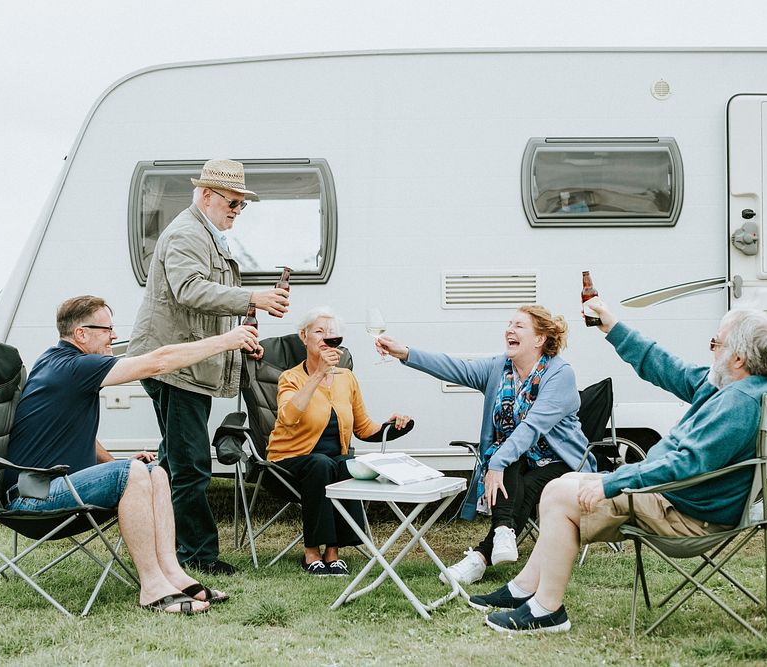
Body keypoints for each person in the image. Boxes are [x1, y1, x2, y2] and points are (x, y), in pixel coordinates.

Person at [469, 299, 767, 634]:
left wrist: (612, 483)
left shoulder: (739, 403)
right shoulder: (738, 386)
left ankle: (548, 609)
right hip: (679, 498)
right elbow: (667, 368)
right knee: (561, 486)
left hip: (686, 514)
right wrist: (612, 326)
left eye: (715, 343)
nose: (711, 350)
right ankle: (524, 589)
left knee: (561, 494)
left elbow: (685, 464)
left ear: (738, 358)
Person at [5, 295, 259, 614]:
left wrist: (114, 467)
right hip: (33, 498)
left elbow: (76, 432)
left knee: (157, 471)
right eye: (107, 329)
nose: (114, 335)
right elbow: (158, 362)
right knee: (134, 472)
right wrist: (226, 341)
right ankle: (151, 586)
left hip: (55, 487)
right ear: (81, 333)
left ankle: (173, 574)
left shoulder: (55, 361)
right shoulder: (74, 366)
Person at [128, 159, 290, 576]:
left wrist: (239, 347)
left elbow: (205, 312)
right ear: (206, 196)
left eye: (242, 205)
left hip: (183, 363)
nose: (237, 210)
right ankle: (196, 556)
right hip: (173, 366)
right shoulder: (186, 233)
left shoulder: (205, 234)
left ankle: (162, 541)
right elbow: (190, 290)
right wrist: (253, 299)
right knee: (192, 464)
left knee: (174, 461)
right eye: (233, 202)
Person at [375, 305, 595, 586]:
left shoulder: (560, 374)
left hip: (563, 463)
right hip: (518, 459)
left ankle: (480, 557)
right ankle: (503, 533)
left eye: (519, 326)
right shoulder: (499, 368)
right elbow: (455, 368)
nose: (509, 330)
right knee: (511, 463)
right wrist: (403, 352)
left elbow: (532, 426)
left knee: (511, 466)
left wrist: (497, 463)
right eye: (509, 324)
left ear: (539, 339)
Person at [266, 307, 412, 575]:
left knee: (348, 464)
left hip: (329, 464)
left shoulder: (347, 378)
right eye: (319, 331)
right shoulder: (291, 378)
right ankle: (311, 552)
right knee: (322, 464)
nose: (326, 337)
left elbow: (364, 429)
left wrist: (394, 427)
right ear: (304, 337)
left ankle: (333, 553)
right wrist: (318, 375)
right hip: (286, 464)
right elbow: (288, 417)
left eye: (332, 333)